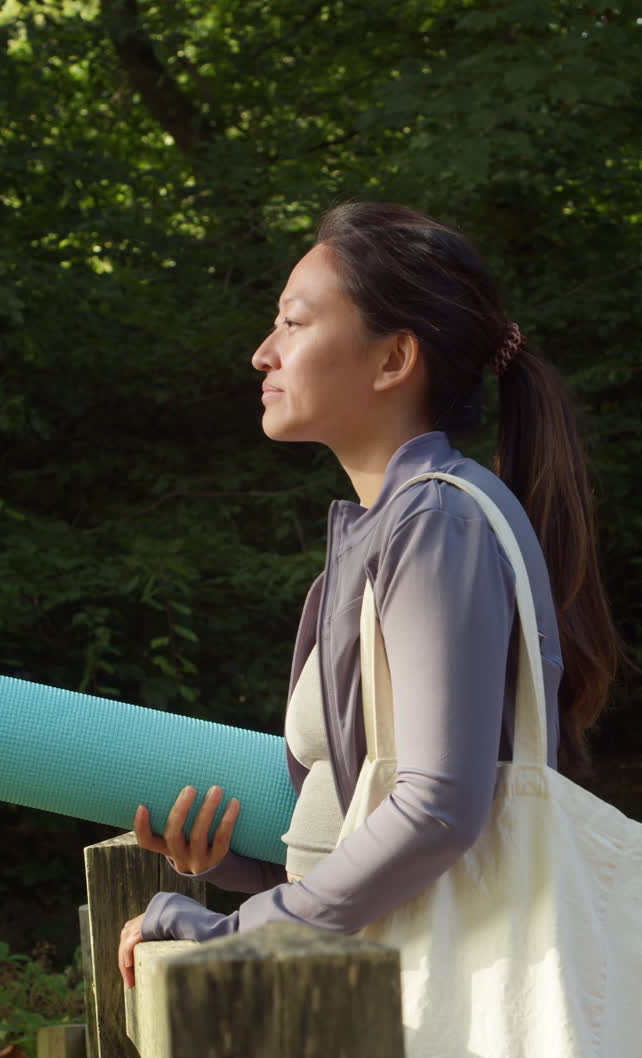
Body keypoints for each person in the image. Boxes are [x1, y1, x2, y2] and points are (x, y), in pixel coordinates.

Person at [118, 198, 616, 988]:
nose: (262, 353)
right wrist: (246, 866)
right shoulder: (386, 533)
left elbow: (439, 811)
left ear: (393, 361)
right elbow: (382, 813)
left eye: (294, 322)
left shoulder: (434, 518)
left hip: (420, 1000)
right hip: (386, 989)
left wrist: (235, 931)